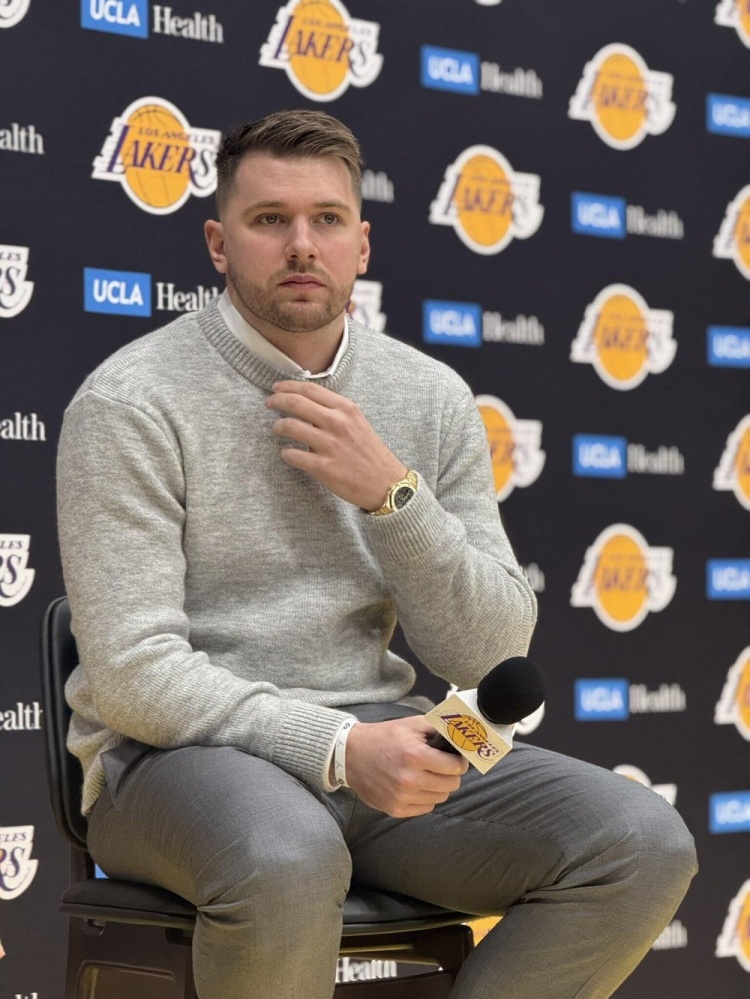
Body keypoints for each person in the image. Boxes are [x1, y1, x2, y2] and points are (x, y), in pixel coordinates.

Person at [57, 108, 697, 999]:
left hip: (378, 748)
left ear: (362, 244)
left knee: (640, 843)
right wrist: (336, 744)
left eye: (326, 219)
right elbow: (133, 675)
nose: (301, 244)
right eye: (269, 219)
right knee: (286, 854)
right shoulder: (130, 401)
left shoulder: (429, 395)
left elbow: (493, 650)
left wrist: (393, 497)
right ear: (218, 244)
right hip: (168, 764)